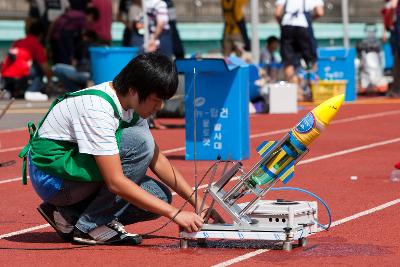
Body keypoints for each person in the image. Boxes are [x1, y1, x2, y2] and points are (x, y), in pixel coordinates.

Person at [19, 52, 223, 245]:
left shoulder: (130, 104)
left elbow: (157, 159)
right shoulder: (97, 108)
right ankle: (89, 225)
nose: (160, 107)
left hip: (74, 171)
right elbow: (115, 181)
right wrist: (175, 214)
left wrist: (197, 201)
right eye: (156, 99)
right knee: (139, 142)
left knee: (160, 196)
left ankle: (68, 214)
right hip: (54, 181)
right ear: (134, 90)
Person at [275, 0, 324, 100]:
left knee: (288, 60)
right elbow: (320, 12)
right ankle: (313, 90)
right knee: (311, 58)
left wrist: (282, 23)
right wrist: (310, 19)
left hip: (287, 26)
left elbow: (277, 13)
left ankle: (295, 93)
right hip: (303, 26)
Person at [1, 21, 52, 101]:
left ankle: (8, 91)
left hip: (7, 73)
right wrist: (50, 79)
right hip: (23, 72)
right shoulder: (37, 45)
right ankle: (32, 91)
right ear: (41, 35)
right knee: (38, 67)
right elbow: (45, 67)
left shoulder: (18, 42)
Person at [386, 0, 400, 98]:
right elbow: (388, 22)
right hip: (396, 36)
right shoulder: (392, 5)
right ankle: (396, 89)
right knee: (397, 61)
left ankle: (396, 89)